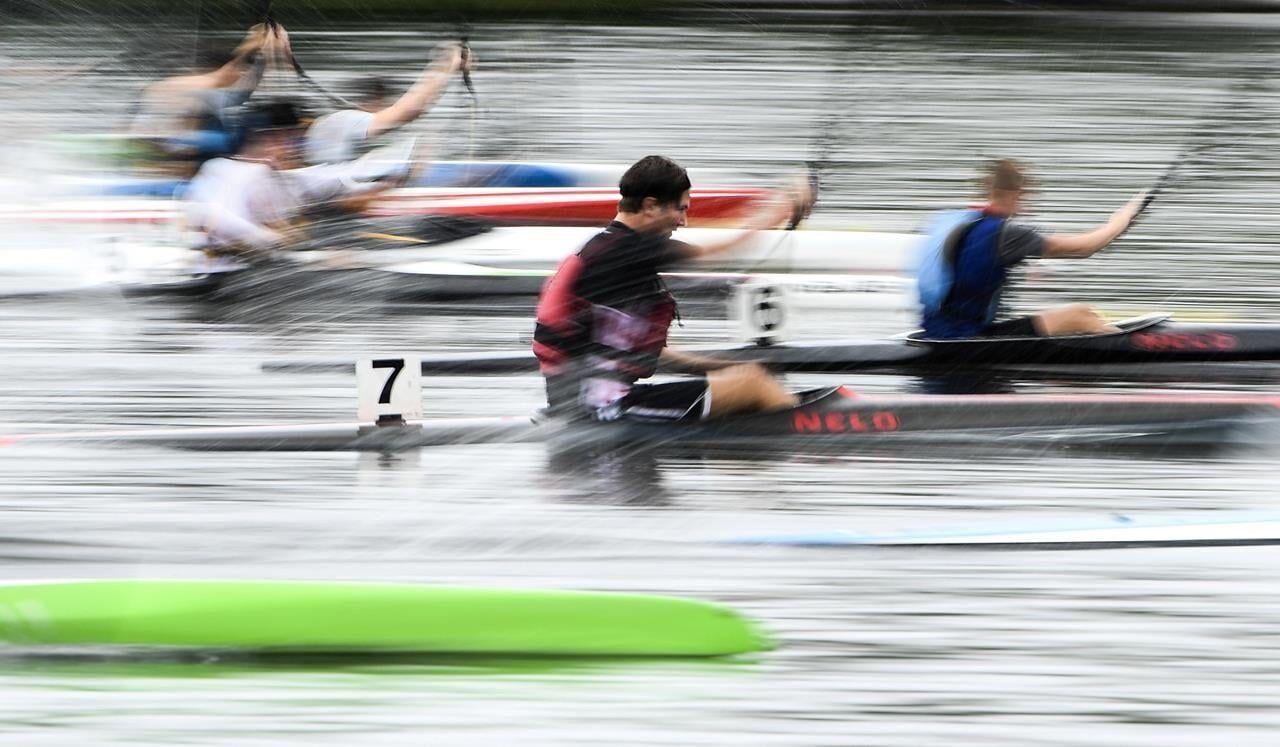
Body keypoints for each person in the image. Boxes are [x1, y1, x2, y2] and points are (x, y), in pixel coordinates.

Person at [533, 155, 812, 423]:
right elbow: (718, 253)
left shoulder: (609, 251)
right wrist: (782, 209)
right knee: (753, 385)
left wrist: (725, 367)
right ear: (651, 206)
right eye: (681, 209)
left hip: (586, 406)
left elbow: (654, 354)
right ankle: (804, 438)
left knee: (748, 378)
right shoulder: (623, 250)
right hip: (604, 409)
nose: (683, 221)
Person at [916, 158, 1145, 340]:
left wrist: (1117, 229)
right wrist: (1119, 221)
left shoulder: (961, 223)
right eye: (1028, 194)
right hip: (968, 340)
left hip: (937, 332)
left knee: (1083, 315)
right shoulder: (1008, 234)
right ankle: (1139, 353)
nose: (1029, 202)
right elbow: (1085, 248)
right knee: (1080, 317)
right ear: (1016, 193)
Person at [183, 100, 400, 258]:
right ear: (265, 140)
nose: (294, 150)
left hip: (263, 265)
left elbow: (341, 174)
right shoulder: (223, 169)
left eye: (297, 141)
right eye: (289, 140)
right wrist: (266, 238)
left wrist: (392, 171)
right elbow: (210, 214)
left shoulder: (289, 178)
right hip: (213, 270)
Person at [131, 24, 282, 166]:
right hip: (161, 145)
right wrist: (250, 45)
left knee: (255, 119)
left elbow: (244, 89)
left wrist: (265, 55)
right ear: (212, 69)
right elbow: (225, 76)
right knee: (227, 137)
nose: (238, 77)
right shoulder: (181, 86)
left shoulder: (209, 94)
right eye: (238, 73)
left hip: (176, 144)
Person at [303, 43, 471, 166]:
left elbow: (412, 112)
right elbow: (408, 112)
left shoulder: (339, 124)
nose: (390, 108)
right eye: (386, 104)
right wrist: (448, 65)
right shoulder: (343, 121)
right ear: (371, 101)